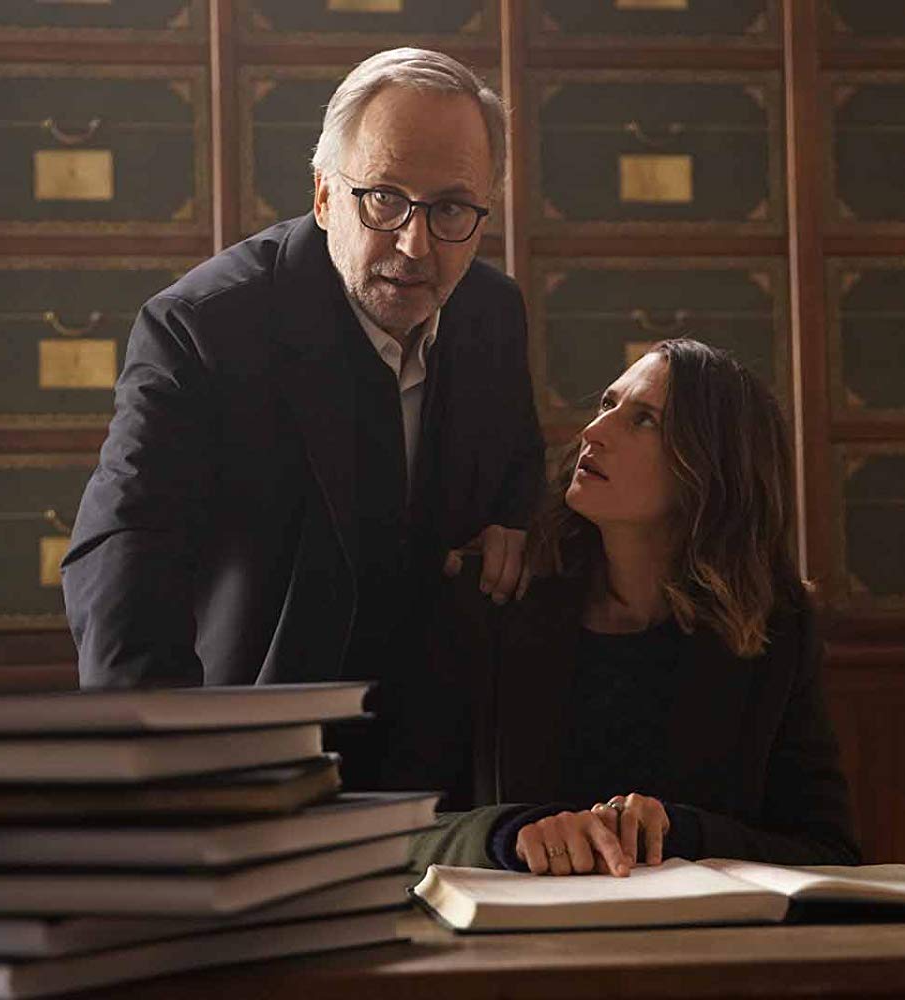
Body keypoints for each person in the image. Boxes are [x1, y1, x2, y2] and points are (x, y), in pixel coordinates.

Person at [62, 49, 544, 788]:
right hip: (256, 753)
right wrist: (164, 773)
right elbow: (123, 552)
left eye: (450, 208)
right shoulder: (204, 327)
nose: (415, 245)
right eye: (383, 198)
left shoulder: (492, 312)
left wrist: (515, 521)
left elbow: (515, 466)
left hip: (447, 756)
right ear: (324, 196)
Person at [400, 339, 859, 875]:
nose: (593, 431)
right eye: (607, 404)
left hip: (701, 928)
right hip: (521, 924)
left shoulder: (776, 627)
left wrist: (678, 833)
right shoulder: (497, 594)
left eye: (644, 420)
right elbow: (394, 836)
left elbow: (828, 854)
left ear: (710, 468)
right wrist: (509, 835)